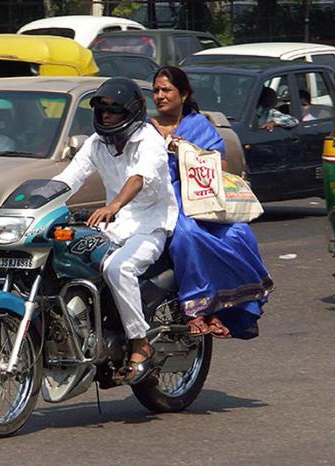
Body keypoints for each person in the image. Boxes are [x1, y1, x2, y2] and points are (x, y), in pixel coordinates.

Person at [53, 77, 178, 384]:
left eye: (115, 110)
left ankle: (140, 343)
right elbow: (69, 178)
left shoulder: (150, 142)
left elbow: (139, 178)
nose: (107, 115)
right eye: (102, 109)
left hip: (150, 226)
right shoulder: (97, 144)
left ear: (131, 111)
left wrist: (114, 205)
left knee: (118, 268)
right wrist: (34, 201)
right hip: (115, 227)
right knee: (68, 258)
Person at [151, 65, 274, 339]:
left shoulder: (197, 125)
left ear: (183, 94)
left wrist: (183, 149)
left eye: (166, 90)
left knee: (239, 234)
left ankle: (226, 311)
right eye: (156, 90)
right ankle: (196, 310)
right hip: (169, 200)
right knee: (187, 235)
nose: (160, 96)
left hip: (205, 196)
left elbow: (222, 164)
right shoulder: (148, 129)